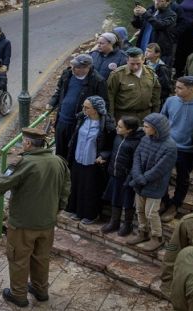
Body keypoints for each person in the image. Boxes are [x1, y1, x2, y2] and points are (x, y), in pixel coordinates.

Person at [0, 128, 71, 308]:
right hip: (47, 222)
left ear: (28, 143)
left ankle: (18, 295)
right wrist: (59, 207)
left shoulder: (24, 163)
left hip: (23, 223)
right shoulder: (59, 161)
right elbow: (66, 187)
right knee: (41, 257)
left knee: (18, 258)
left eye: (23, 141)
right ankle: (41, 290)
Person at [159, 76, 193, 222]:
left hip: (187, 150)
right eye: (176, 87)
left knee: (182, 179)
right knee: (162, 175)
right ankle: (164, 201)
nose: (175, 90)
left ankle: (175, 205)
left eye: (179, 88)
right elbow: (162, 119)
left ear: (192, 89)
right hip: (167, 145)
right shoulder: (170, 101)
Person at [127, 113, 177, 252]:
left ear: (156, 128)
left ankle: (157, 237)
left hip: (155, 185)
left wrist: (143, 179)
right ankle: (142, 232)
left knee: (151, 212)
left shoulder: (170, 147)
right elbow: (137, 156)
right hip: (140, 182)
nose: (143, 129)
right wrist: (137, 175)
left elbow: (160, 169)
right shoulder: (145, 139)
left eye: (146, 126)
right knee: (139, 209)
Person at [47, 54, 108, 159]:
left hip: (79, 123)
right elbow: (59, 90)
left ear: (87, 67)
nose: (73, 69)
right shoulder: (67, 74)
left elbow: (103, 103)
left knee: (72, 153)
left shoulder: (97, 81)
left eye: (77, 67)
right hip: (62, 121)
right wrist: (52, 102)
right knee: (60, 151)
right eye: (73, 66)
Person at [66, 96, 115, 224]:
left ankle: (91, 214)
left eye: (87, 107)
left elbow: (111, 146)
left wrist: (103, 156)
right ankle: (77, 211)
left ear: (96, 110)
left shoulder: (106, 125)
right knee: (78, 185)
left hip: (93, 162)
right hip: (78, 159)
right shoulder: (82, 119)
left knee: (90, 189)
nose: (83, 109)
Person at [101, 116, 143, 236]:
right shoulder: (118, 137)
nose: (116, 128)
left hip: (127, 177)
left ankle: (127, 224)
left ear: (129, 130)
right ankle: (114, 222)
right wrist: (104, 156)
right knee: (115, 198)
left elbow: (136, 162)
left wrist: (130, 177)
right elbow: (113, 151)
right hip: (115, 174)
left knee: (128, 201)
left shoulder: (137, 142)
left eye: (120, 126)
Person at [107, 47, 161, 122]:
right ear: (127, 61)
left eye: (138, 64)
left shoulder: (150, 73)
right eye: (132, 64)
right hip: (124, 117)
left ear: (143, 60)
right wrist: (111, 118)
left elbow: (156, 95)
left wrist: (155, 114)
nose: (135, 67)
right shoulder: (117, 75)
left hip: (145, 116)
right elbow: (110, 97)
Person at [132, 0, 177, 66]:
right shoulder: (150, 11)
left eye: (161, 1)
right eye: (156, 0)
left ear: (168, 2)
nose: (157, 2)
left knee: (155, 74)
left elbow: (160, 25)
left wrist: (145, 14)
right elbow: (137, 25)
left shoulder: (172, 15)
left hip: (157, 52)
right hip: (142, 49)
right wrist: (136, 16)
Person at [173, 0, 193, 77]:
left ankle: (185, 73)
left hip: (191, 32)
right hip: (179, 29)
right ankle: (177, 73)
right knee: (178, 52)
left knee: (188, 53)